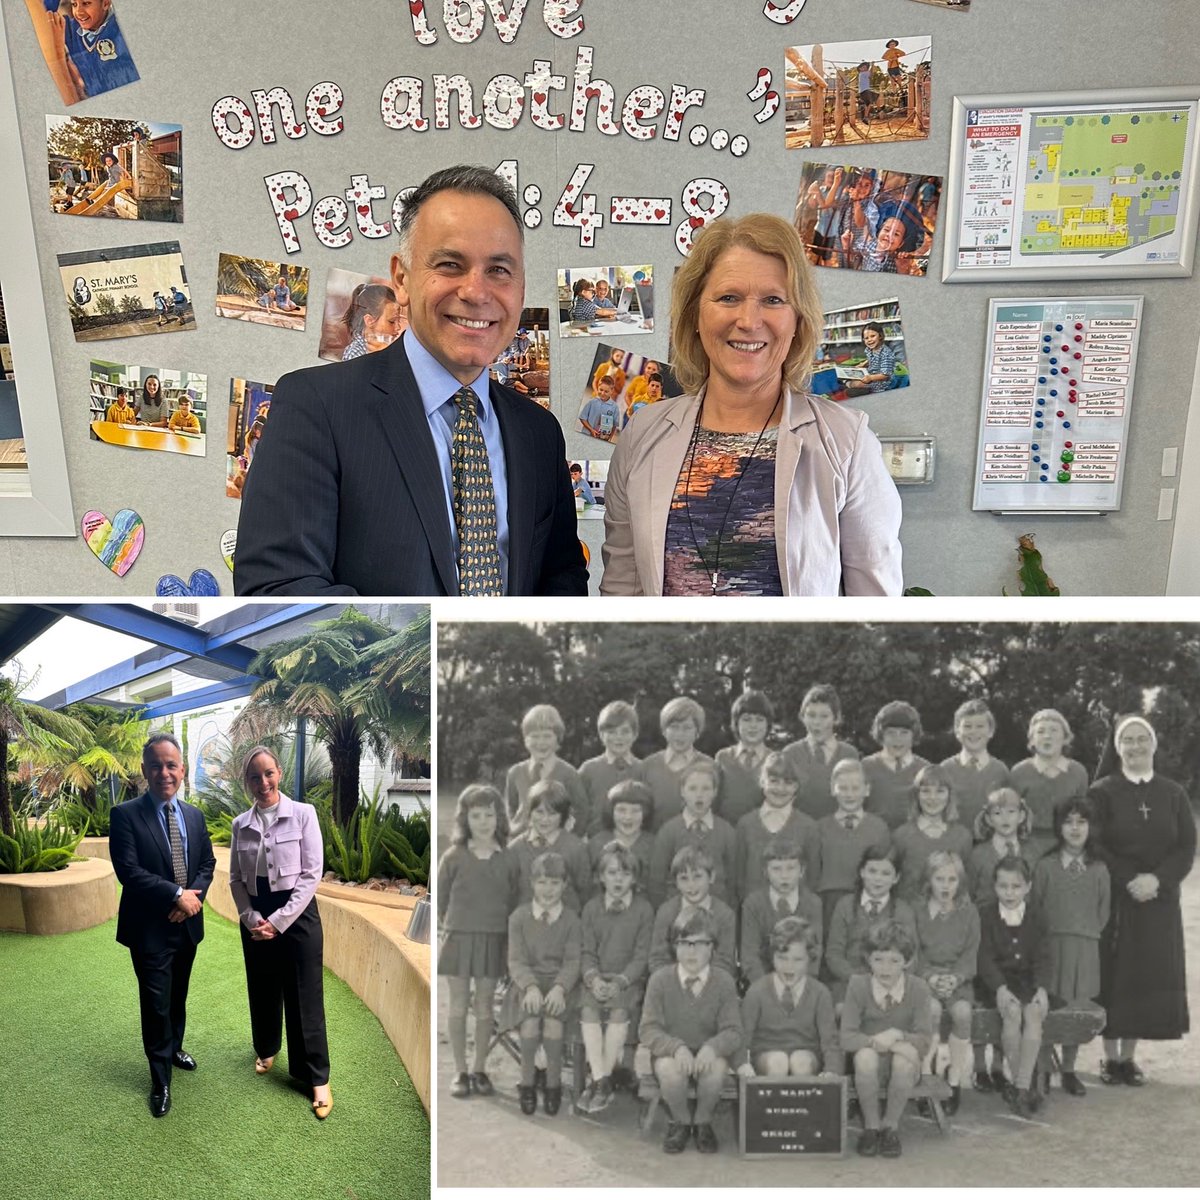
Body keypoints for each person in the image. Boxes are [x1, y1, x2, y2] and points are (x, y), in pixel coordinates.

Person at [234, 164, 587, 596]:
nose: (477, 292)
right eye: (450, 264)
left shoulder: (539, 433)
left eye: (499, 270)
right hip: (384, 666)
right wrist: (424, 659)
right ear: (401, 278)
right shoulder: (316, 406)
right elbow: (280, 588)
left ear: (521, 286)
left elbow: (561, 583)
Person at [600, 214, 902, 596]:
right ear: (695, 314)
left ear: (797, 321)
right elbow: (622, 595)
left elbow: (875, 616)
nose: (748, 320)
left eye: (773, 300)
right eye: (729, 297)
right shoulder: (643, 435)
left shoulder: (846, 443)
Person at [109, 733, 216, 1118]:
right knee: (155, 1004)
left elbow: (207, 864)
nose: (164, 773)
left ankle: (174, 1048)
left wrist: (192, 901)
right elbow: (130, 872)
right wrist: (176, 896)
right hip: (149, 929)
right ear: (144, 770)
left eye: (171, 765)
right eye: (156, 765)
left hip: (187, 925)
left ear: (182, 770)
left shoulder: (194, 815)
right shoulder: (124, 816)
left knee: (178, 996)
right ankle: (160, 1079)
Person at [1089, 715, 1194, 1085]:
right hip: (1118, 898)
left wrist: (1158, 880)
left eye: (1141, 739)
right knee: (1115, 974)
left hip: (1159, 901)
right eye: (1127, 740)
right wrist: (1129, 878)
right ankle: (1108, 1057)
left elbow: (1186, 845)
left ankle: (1128, 1059)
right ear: (1118, 748)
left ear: (1153, 744)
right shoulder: (1102, 791)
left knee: (1145, 977)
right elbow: (1094, 842)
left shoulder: (1173, 793)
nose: (1135, 746)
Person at [228, 747, 332, 1119]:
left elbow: (311, 875)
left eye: (268, 773)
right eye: (255, 777)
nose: (263, 783)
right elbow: (237, 879)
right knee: (262, 986)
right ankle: (267, 1048)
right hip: (257, 915)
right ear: (247, 782)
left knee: (305, 994)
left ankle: (315, 1076)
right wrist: (250, 916)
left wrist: (279, 920)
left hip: (298, 915)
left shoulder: (304, 814)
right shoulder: (240, 824)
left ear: (280, 772)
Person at [638, 908, 743, 1154]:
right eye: (684, 943)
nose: (691, 951)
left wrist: (712, 1047)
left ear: (713, 947)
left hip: (708, 1051)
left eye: (700, 943)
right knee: (669, 1072)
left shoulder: (724, 981)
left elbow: (734, 1031)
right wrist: (676, 1048)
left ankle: (703, 1121)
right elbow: (648, 1029)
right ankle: (681, 1121)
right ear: (674, 946)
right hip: (672, 1052)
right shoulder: (660, 980)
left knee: (716, 1069)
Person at [436, 784, 517, 1100]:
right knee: (458, 1006)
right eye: (476, 815)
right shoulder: (454, 857)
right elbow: (441, 901)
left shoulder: (508, 859)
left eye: (489, 815)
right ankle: (460, 1071)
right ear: (465, 818)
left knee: (484, 1007)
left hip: (493, 940)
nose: (483, 822)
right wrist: (451, 927)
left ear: (499, 817)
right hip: (459, 940)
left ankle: (480, 1068)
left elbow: (514, 901)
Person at [1031, 796, 1110, 1097]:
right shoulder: (1046, 866)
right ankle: (1043, 1068)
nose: (1075, 829)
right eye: (1068, 822)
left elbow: (1103, 912)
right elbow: (1036, 908)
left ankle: (1068, 1069)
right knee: (1049, 1008)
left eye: (1082, 822)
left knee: (1076, 1009)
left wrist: (1084, 934)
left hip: (1084, 949)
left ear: (1091, 827)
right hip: (1051, 948)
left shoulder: (1100, 868)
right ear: (1058, 827)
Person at [839, 920, 933, 1158]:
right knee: (866, 1057)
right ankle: (871, 1127)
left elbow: (923, 1042)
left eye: (894, 961)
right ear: (868, 959)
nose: (886, 968)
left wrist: (899, 1035)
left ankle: (890, 1127)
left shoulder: (919, 988)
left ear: (907, 962)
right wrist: (877, 1041)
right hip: (869, 1067)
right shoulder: (858, 985)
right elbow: (846, 1037)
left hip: (904, 1067)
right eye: (878, 959)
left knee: (903, 1059)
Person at [577, 843, 654, 1113]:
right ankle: (602, 1080)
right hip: (596, 978)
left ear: (634, 878)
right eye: (612, 873)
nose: (618, 879)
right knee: (588, 1009)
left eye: (625, 873)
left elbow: (642, 955)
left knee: (620, 1012)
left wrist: (620, 982)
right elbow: (586, 951)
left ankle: (600, 1081)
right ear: (601, 877)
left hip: (627, 980)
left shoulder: (644, 910)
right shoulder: (591, 909)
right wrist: (594, 980)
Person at [976, 856, 1054, 1118]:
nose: (1010, 893)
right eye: (1003, 886)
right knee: (1012, 1014)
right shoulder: (985, 915)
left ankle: (1020, 1087)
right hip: (997, 983)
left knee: (1033, 1014)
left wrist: (1042, 988)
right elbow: (984, 957)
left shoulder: (1037, 915)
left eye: (1016, 886)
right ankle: (1025, 1087)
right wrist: (998, 987)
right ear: (994, 886)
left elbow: (1044, 956)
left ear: (1028, 887)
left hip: (1029, 982)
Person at [508, 850, 583, 1116]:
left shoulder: (572, 920)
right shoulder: (519, 917)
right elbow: (516, 960)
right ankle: (526, 1084)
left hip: (560, 987)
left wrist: (561, 988)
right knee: (529, 1027)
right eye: (542, 882)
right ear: (532, 883)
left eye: (554, 883)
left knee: (553, 1027)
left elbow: (573, 961)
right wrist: (529, 986)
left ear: (564, 885)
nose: (548, 889)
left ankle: (553, 1086)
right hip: (526, 984)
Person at [912, 850, 979, 1114]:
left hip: (957, 979)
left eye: (952, 880)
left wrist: (955, 978)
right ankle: (925, 1078)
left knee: (962, 1013)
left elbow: (970, 955)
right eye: (939, 879)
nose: (945, 886)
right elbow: (913, 954)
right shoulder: (917, 910)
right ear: (929, 880)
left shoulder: (968, 912)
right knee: (932, 1011)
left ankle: (954, 1081)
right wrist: (930, 977)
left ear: (959, 882)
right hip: (924, 977)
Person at [738, 916, 839, 1081]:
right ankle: (772, 1106)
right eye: (782, 958)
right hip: (766, 1057)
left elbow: (830, 1041)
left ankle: (804, 1106)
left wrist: (832, 1070)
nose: (789, 967)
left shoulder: (820, 993)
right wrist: (742, 1063)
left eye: (797, 960)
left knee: (800, 1061)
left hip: (807, 1056)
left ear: (810, 959)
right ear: (772, 957)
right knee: (778, 1061)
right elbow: (742, 1037)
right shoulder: (757, 991)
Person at [825, 849, 916, 1006]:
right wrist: (858, 980)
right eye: (872, 871)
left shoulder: (903, 911)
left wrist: (886, 980)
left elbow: (912, 958)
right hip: (850, 981)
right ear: (862, 872)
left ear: (896, 878)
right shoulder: (845, 905)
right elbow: (834, 954)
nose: (878, 879)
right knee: (843, 1010)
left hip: (891, 983)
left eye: (886, 873)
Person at [813, 759, 891, 933]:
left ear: (867, 790)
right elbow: (812, 872)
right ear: (833, 789)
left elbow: (886, 870)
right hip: (828, 903)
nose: (849, 794)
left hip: (865, 900)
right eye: (843, 788)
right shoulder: (820, 828)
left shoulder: (879, 828)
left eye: (855, 788)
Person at [648, 760, 736, 908]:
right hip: (678, 912)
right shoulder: (669, 831)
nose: (699, 795)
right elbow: (657, 881)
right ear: (682, 791)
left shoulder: (726, 831)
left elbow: (733, 881)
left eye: (706, 789)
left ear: (715, 792)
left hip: (716, 912)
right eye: (693, 788)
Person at [736, 751, 820, 901]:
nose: (781, 789)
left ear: (797, 786)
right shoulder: (746, 824)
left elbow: (812, 879)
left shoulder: (808, 826)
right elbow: (738, 878)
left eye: (788, 783)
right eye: (774, 781)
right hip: (753, 915)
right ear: (762, 781)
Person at [738, 836, 823, 983]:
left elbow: (814, 955)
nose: (784, 876)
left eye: (791, 868)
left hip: (801, 984)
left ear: (802, 871)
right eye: (776, 869)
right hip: (762, 983)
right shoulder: (753, 903)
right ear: (766, 872)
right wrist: (769, 990)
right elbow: (749, 956)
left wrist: (799, 988)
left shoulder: (813, 903)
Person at [647, 844, 737, 977]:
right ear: (676, 882)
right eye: (684, 878)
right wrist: (678, 981)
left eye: (697, 877)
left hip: (712, 984)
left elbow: (725, 961)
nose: (691, 885)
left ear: (711, 877)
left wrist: (701, 981)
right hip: (673, 983)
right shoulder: (666, 912)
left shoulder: (725, 915)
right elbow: (658, 959)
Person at [1011, 708, 1089, 858]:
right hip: (1028, 848)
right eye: (1040, 732)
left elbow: (1082, 816)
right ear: (1032, 740)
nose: (1047, 736)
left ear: (1065, 738)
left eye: (1054, 730)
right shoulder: (1019, 772)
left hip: (1067, 847)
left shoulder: (1078, 772)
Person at [891, 764, 972, 903]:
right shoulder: (901, 835)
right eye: (926, 791)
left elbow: (965, 885)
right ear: (916, 795)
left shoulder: (962, 836)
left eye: (940, 791)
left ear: (949, 795)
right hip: (909, 916)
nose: (932, 798)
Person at [504, 703, 588, 836]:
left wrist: (570, 841)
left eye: (547, 736)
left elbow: (582, 813)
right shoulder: (515, 773)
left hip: (555, 846)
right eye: (535, 736)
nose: (541, 742)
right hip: (522, 846)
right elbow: (511, 808)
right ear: (526, 740)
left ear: (558, 739)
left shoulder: (569, 774)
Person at [507, 780, 591, 914]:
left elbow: (585, 892)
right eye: (539, 812)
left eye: (552, 813)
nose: (545, 819)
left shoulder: (576, 848)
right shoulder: (515, 849)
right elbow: (510, 893)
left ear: (563, 815)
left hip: (566, 927)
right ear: (529, 812)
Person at [35, 0, 140, 105]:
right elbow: (42, 14)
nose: (79, 12)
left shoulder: (121, 28)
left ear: (105, 3)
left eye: (86, 3)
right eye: (74, 5)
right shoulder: (70, 30)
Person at [782, 683, 860, 820]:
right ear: (802, 717)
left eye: (824, 716)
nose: (817, 722)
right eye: (811, 715)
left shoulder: (849, 754)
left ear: (836, 718)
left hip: (837, 833)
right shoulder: (790, 754)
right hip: (800, 835)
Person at [641, 696, 714, 834]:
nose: (680, 734)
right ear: (664, 730)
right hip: (655, 844)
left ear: (697, 732)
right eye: (674, 727)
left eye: (687, 728)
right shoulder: (648, 766)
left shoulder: (710, 766)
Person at [938, 698, 1011, 835]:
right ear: (957, 732)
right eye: (967, 726)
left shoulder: (1000, 771)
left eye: (980, 726)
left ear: (991, 731)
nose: (973, 732)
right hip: (954, 842)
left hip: (989, 844)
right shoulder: (945, 769)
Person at [579, 701, 644, 840]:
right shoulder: (588, 769)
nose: (619, 737)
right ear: (601, 735)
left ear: (635, 734)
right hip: (595, 847)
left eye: (625, 731)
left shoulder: (643, 769)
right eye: (612, 732)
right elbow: (578, 811)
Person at [861, 701, 930, 830]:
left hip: (912, 842)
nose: (898, 739)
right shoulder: (865, 767)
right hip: (875, 841)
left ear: (913, 734)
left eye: (904, 733)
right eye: (891, 733)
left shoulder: (925, 770)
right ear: (881, 734)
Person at [714, 689, 775, 828]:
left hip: (761, 836)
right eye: (746, 719)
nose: (753, 726)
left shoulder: (774, 760)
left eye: (759, 720)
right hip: (727, 834)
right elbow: (715, 801)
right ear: (736, 723)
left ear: (768, 724)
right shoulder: (723, 757)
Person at [589, 779, 656, 890]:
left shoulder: (655, 845)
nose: (628, 817)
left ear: (646, 813)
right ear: (611, 811)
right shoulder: (596, 844)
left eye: (635, 811)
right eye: (621, 810)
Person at [340, 282, 401, 360]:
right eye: (392, 321)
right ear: (369, 321)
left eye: (399, 320)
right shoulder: (355, 354)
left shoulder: (390, 349)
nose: (398, 327)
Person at [578, 373, 622, 442]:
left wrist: (609, 438)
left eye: (606, 391)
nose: (603, 393)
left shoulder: (615, 407)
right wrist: (591, 430)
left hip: (602, 439)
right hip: (585, 435)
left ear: (612, 391)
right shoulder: (591, 402)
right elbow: (582, 418)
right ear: (598, 387)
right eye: (601, 390)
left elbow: (614, 426)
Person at [858, 323, 896, 393]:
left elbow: (885, 375)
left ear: (880, 336)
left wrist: (870, 378)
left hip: (883, 382)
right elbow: (871, 359)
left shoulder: (886, 353)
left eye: (872, 336)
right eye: (866, 338)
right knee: (853, 381)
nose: (869, 340)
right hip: (872, 374)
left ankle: (866, 391)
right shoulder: (869, 350)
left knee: (855, 384)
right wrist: (864, 364)